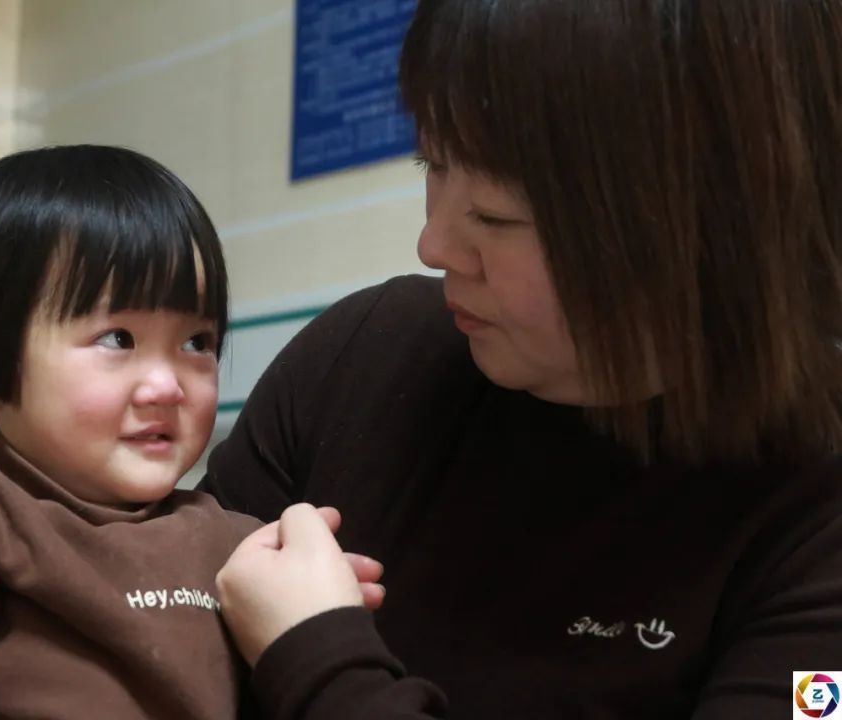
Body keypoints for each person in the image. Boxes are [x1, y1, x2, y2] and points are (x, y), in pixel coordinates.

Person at [204, 1, 842, 718]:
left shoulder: (813, 514)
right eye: (432, 164)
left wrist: (316, 658)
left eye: (496, 216)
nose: (434, 246)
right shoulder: (359, 358)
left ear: (704, 228)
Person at [0, 144, 381, 719]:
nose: (168, 385)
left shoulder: (238, 547)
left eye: (198, 342)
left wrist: (308, 624)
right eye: (118, 339)